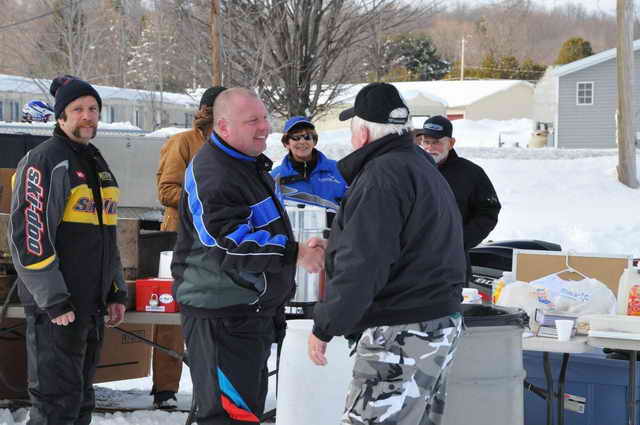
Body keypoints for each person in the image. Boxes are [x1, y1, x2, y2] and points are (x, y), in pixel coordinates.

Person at [307, 83, 466, 425]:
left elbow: (364, 264)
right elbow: (402, 242)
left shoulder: (382, 175)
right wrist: (336, 243)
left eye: (352, 129)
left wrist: (326, 325)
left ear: (362, 133)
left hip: (401, 328)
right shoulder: (419, 166)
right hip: (436, 322)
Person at [171, 87, 325, 424]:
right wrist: (293, 253)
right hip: (221, 313)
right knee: (228, 417)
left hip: (250, 309)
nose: (264, 127)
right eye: (252, 120)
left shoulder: (249, 165)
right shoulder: (214, 171)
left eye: (265, 118)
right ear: (223, 127)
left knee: (247, 414)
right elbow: (226, 242)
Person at [8, 75, 127, 425]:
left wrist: (116, 290)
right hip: (57, 308)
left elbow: (108, 235)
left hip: (90, 306)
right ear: (60, 117)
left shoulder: (95, 161)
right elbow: (30, 237)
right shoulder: (45, 160)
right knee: (54, 407)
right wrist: (54, 299)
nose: (87, 116)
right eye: (78, 110)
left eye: (93, 109)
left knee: (80, 403)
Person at [152, 85, 226, 409]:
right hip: (179, 237)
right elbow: (166, 190)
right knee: (174, 315)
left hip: (218, 241)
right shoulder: (184, 142)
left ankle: (213, 389)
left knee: (214, 313)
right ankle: (165, 389)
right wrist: (204, 200)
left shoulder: (231, 144)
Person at [415, 115, 501, 281]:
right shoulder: (408, 170)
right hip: (412, 263)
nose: (430, 147)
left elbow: (488, 211)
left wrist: (460, 240)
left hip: (452, 264)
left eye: (437, 142)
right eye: (426, 141)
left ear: (451, 143)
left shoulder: (471, 173)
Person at [271, 116, 347, 221]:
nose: (302, 141)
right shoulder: (275, 177)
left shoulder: (339, 170)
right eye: (296, 137)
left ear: (314, 141)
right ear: (286, 143)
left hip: (335, 235)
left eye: (307, 137)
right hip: (295, 236)